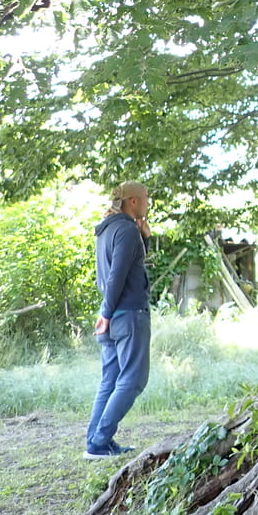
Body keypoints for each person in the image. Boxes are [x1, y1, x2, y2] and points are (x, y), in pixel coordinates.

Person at [84, 180, 152, 459]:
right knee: (133, 380)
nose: (148, 204)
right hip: (127, 314)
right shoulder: (125, 229)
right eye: (146, 198)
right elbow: (118, 275)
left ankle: (96, 444)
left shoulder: (108, 230)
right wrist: (107, 313)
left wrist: (144, 238)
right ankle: (99, 441)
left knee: (110, 381)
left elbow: (124, 266)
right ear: (133, 201)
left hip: (114, 314)